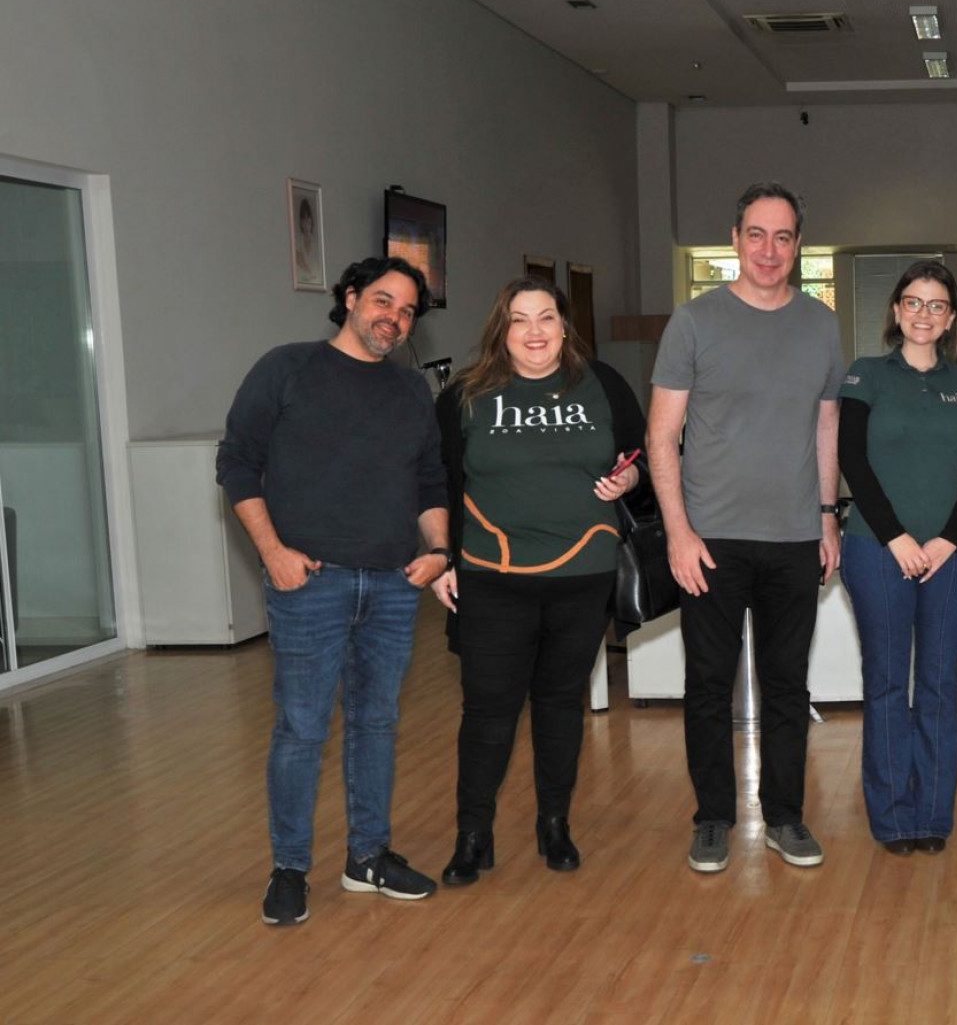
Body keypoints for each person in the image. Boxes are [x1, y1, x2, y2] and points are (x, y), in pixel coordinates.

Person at [217, 256, 449, 926]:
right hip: (309, 583)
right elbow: (236, 461)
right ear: (349, 298)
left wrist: (436, 550)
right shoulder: (286, 368)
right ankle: (290, 867)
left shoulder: (410, 392)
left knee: (377, 722)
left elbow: (430, 481)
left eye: (407, 312)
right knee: (301, 728)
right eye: (382, 301)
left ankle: (368, 857)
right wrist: (272, 552)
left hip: (392, 584)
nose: (394, 319)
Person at [649, 181, 845, 873]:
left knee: (787, 685)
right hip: (711, 539)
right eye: (756, 234)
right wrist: (678, 531)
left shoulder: (821, 324)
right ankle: (713, 817)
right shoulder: (694, 321)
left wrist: (826, 517)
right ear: (734, 239)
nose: (769, 249)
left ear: (798, 245)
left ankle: (786, 815)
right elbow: (662, 432)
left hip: (794, 535)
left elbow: (826, 424)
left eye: (783, 236)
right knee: (708, 683)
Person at [427, 277, 645, 886]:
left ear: (564, 325)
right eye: (519, 319)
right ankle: (473, 834)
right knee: (488, 711)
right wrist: (443, 558)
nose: (534, 332)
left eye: (546, 317)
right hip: (492, 578)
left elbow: (641, 455)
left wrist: (628, 481)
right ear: (501, 328)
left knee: (558, 705)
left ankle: (555, 823)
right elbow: (439, 481)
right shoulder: (466, 394)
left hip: (583, 573)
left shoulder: (601, 384)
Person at [836, 261, 957, 855]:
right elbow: (854, 458)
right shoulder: (866, 375)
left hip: (951, 554)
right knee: (884, 684)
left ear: (951, 317)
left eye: (936, 305)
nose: (923, 313)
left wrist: (949, 539)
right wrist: (898, 536)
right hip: (878, 550)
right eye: (913, 302)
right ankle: (892, 818)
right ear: (897, 310)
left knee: (936, 684)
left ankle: (930, 815)